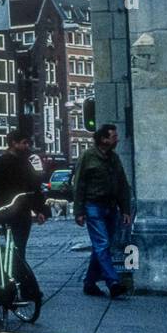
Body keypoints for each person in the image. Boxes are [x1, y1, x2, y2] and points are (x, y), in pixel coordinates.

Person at [0, 129, 50, 302]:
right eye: (24, 143)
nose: (27, 146)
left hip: (20, 213)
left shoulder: (24, 163)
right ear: (13, 142)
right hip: (8, 212)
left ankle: (18, 285)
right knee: (14, 251)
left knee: (19, 250)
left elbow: (33, 188)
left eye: (28, 143)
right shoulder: (0, 163)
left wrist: (40, 209)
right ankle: (23, 288)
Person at [72, 123, 132, 298]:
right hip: (94, 206)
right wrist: (79, 211)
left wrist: (125, 209)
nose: (117, 139)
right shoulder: (87, 157)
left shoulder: (114, 158)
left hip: (111, 207)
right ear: (104, 139)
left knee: (101, 247)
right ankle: (113, 281)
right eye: (114, 137)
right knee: (103, 244)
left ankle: (89, 283)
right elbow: (79, 184)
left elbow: (122, 184)